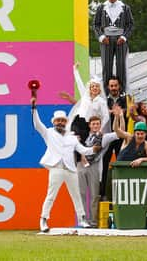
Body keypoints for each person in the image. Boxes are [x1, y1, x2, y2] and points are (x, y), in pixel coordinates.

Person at [32, 98, 100, 232]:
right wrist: (34, 109)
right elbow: (37, 125)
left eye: (63, 121)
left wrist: (93, 149)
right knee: (51, 195)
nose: (60, 123)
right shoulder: (49, 133)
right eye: (58, 121)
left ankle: (82, 219)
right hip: (56, 168)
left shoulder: (72, 137)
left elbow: (82, 150)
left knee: (76, 195)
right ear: (54, 122)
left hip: (70, 169)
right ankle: (43, 220)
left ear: (66, 122)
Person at [77, 115, 119, 227]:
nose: (95, 126)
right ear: (89, 125)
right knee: (81, 193)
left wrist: (118, 116)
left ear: (100, 125)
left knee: (94, 195)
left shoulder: (103, 137)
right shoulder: (84, 135)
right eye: (93, 124)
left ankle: (93, 222)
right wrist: (81, 154)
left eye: (97, 124)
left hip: (94, 166)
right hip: (80, 165)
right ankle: (83, 220)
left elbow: (118, 133)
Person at [93, 0, 134, 93]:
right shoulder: (101, 8)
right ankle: (106, 95)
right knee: (107, 67)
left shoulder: (125, 8)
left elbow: (130, 24)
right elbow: (95, 24)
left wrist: (124, 37)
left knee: (121, 66)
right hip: (106, 40)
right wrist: (101, 37)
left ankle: (122, 94)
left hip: (120, 40)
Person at [67, 63, 109, 164]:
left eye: (96, 87)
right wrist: (75, 71)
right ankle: (73, 163)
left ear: (99, 90)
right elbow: (79, 83)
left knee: (84, 146)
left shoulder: (101, 102)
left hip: (88, 125)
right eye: (92, 86)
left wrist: (100, 129)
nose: (94, 88)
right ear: (89, 88)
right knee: (74, 141)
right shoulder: (85, 96)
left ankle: (82, 164)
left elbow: (106, 116)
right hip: (77, 122)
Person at [100, 75, 129, 200]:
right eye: (111, 86)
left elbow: (131, 112)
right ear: (108, 87)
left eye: (115, 85)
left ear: (119, 86)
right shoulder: (103, 100)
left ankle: (123, 193)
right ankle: (102, 194)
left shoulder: (126, 99)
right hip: (107, 136)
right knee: (104, 164)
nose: (113, 88)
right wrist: (110, 111)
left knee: (121, 163)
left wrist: (123, 111)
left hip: (121, 136)